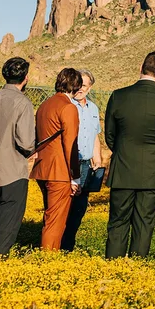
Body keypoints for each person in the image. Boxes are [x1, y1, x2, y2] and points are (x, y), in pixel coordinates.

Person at [104, 51, 155, 259]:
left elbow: (110, 135)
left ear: (141, 67)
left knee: (118, 221)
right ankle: (138, 267)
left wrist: (123, 151)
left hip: (123, 168)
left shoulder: (118, 96)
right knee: (145, 222)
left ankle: (113, 266)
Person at [0, 57, 36, 258]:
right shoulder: (22, 102)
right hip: (13, 172)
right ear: (25, 78)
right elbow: (26, 143)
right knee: (7, 229)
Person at [30, 68, 83, 250]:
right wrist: (75, 177)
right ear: (76, 86)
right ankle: (49, 258)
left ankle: (45, 253)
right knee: (55, 221)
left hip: (42, 168)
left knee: (49, 216)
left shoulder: (45, 105)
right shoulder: (68, 107)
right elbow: (70, 145)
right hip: (59, 172)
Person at [61, 69, 104, 252]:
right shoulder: (67, 105)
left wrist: (97, 158)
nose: (80, 89)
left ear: (90, 87)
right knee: (64, 206)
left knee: (79, 207)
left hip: (85, 165)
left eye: (84, 85)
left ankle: (68, 246)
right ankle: (57, 245)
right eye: (78, 85)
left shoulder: (93, 108)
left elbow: (95, 135)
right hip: (68, 164)